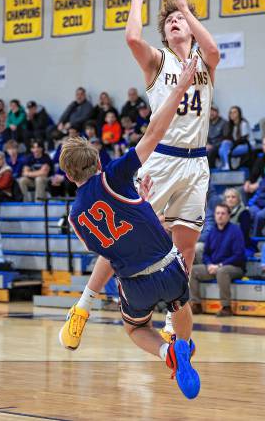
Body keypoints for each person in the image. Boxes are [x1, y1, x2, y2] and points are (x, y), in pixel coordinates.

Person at [58, 58, 200, 399]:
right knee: (181, 306)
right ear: (97, 161)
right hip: (169, 269)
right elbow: (154, 132)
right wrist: (180, 87)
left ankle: (164, 353)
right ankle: (181, 345)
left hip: (135, 284)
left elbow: (113, 247)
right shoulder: (116, 175)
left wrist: (141, 205)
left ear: (67, 175)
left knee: (136, 329)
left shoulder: (76, 217)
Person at [125, 0, 220, 339]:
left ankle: (172, 313)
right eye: (170, 21)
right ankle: (91, 302)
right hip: (162, 159)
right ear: (164, 36)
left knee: (188, 248)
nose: (176, 22)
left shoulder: (204, 62)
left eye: (181, 19)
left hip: (196, 163)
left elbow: (212, 48)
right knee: (133, 232)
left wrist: (185, 7)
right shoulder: (158, 61)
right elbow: (133, 39)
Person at [189, 204, 245, 317]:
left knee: (222, 271)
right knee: (192, 270)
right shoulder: (212, 231)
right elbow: (206, 254)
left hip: (234, 267)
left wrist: (219, 265)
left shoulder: (235, 231)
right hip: (214, 267)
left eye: (223, 213)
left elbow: (238, 255)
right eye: (218, 213)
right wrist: (209, 264)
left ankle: (226, 307)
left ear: (229, 216)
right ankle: (196, 304)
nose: (220, 216)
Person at [218, 106, 251, 170]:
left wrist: (231, 148)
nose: (232, 114)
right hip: (237, 145)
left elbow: (244, 140)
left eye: (235, 112)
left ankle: (227, 164)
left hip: (247, 145)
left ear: (239, 114)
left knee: (223, 151)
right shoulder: (231, 125)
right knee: (223, 145)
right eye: (231, 112)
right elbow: (230, 139)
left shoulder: (243, 124)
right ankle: (227, 164)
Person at [223, 188, 253, 256]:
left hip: (241, 245)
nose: (230, 199)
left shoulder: (244, 213)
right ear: (225, 200)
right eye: (228, 197)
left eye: (233, 197)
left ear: (238, 199)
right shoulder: (221, 213)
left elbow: (243, 234)